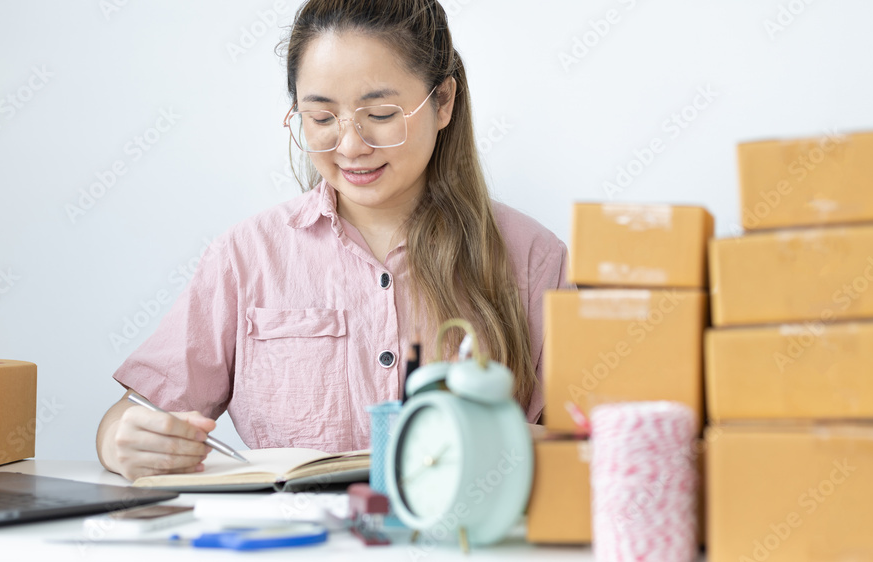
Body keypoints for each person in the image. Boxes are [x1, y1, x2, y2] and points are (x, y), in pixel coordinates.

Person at [96, 0, 569, 481]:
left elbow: (588, 446)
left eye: (382, 114)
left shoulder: (533, 258)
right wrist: (124, 443)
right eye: (321, 119)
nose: (350, 146)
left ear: (443, 101)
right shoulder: (245, 257)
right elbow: (129, 416)